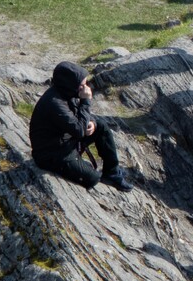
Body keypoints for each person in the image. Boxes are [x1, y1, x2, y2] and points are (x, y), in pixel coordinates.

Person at [29, 60, 132, 191]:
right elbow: (79, 130)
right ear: (71, 84)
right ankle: (80, 166)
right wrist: (86, 100)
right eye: (82, 84)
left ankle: (111, 172)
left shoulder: (65, 92)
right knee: (93, 178)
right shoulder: (55, 104)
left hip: (65, 140)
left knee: (101, 126)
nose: (86, 88)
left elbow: (79, 119)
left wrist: (92, 123)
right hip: (53, 154)